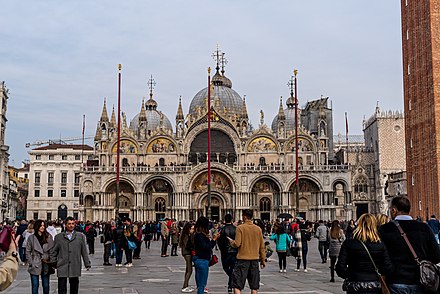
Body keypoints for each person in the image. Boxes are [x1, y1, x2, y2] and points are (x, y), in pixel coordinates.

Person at [379, 196, 440, 293]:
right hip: (420, 282)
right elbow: (437, 256)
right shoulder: (424, 228)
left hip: (396, 281)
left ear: (394, 210)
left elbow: (381, 257)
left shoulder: (384, 229)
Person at [336, 214, 394, 294]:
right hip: (374, 286)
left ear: (359, 225)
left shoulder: (349, 243)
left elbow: (340, 268)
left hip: (355, 286)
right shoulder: (380, 245)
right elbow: (389, 268)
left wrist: (351, 275)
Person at [229, 209, 266, 294]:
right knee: (254, 287)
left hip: (242, 260)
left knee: (237, 286)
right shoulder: (258, 229)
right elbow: (262, 246)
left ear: (244, 217)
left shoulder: (240, 228)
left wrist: (231, 242)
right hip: (254, 260)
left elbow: (237, 244)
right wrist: (263, 260)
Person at [51, 216, 91, 294]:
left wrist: (87, 263)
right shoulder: (58, 237)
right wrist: (53, 262)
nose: (71, 225)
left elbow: (84, 251)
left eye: (73, 224)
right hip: (62, 265)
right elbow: (54, 251)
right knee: (62, 288)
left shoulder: (80, 236)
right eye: (69, 224)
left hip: (74, 264)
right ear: (65, 225)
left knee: (74, 287)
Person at [26, 219, 55, 294]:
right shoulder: (31, 238)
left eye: (43, 225)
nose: (42, 227)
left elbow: (52, 250)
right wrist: (31, 262)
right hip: (35, 262)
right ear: (37, 227)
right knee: (35, 285)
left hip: (46, 262)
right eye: (41, 226)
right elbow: (28, 251)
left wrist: (51, 261)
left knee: (46, 285)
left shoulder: (48, 237)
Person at [193, 216, 220, 294]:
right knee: (202, 285)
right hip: (203, 261)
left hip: (198, 260)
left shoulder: (198, 234)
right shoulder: (200, 236)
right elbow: (207, 247)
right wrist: (214, 240)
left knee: (199, 284)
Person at [217, 214, 238, 293]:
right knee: (232, 268)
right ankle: (231, 284)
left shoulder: (222, 229)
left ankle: (230, 285)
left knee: (226, 268)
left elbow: (219, 241)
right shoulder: (236, 229)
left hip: (225, 252)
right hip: (234, 252)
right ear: (232, 220)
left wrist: (222, 249)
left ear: (224, 220)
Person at [179, 222, 195, 293]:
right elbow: (188, 245)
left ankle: (186, 285)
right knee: (189, 270)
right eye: (192, 229)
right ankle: (184, 286)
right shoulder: (186, 235)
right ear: (188, 229)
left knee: (187, 270)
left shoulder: (187, 235)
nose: (193, 230)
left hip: (187, 253)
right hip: (187, 254)